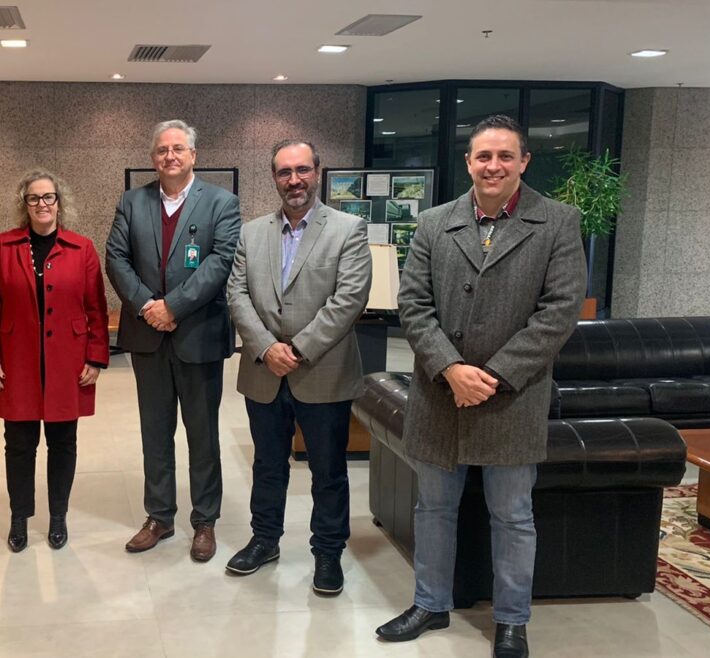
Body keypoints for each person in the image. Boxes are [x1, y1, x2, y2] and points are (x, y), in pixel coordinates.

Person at [376, 115, 586, 658]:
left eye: (505, 156)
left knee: (513, 516)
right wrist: (450, 368)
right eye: (484, 156)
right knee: (433, 509)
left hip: (512, 399)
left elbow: (559, 312)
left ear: (524, 162)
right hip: (440, 395)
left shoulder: (558, 222)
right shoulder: (433, 223)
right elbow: (413, 304)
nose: (494, 166)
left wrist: (493, 376)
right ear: (468, 162)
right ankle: (430, 603)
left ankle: (512, 621)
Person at [225, 139, 371, 595]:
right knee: (268, 465)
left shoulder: (348, 229)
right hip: (263, 371)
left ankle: (328, 553)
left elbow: (349, 299)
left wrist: (299, 349)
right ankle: (264, 540)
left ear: (317, 172)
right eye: (285, 172)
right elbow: (236, 294)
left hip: (323, 371)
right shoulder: (251, 233)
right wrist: (267, 347)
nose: (294, 180)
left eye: (302, 170)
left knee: (328, 471)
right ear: (274, 177)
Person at [105, 119, 241, 562]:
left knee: (203, 434)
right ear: (153, 158)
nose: (170, 156)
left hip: (198, 336)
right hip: (148, 337)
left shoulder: (222, 203)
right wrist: (149, 306)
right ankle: (159, 516)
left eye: (178, 148)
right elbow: (116, 258)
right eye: (162, 150)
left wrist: (174, 307)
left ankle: (205, 521)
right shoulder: (132, 202)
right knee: (155, 432)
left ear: (193, 155)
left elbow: (221, 261)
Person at [0, 169, 109, 552]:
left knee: (63, 443)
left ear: (59, 202)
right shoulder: (2, 247)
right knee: (19, 444)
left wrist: (96, 357)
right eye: (33, 198)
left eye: (48, 197)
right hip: (16, 362)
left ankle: (58, 517)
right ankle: (19, 518)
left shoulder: (82, 249)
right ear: (25, 204)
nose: (42, 204)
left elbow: (96, 309)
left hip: (68, 362)